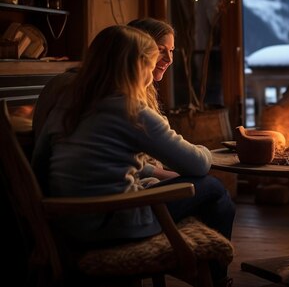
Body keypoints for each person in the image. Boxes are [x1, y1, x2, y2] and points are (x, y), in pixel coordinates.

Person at [31, 25, 235, 286]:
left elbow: (40, 163)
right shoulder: (131, 111)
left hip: (68, 224)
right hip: (116, 225)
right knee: (213, 188)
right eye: (150, 65)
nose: (152, 74)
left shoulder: (69, 104)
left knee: (208, 193)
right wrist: (207, 150)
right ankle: (216, 278)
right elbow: (197, 164)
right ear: (136, 67)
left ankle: (213, 275)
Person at [32, 17, 177, 182]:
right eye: (159, 50)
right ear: (134, 51)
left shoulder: (113, 87)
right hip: (112, 194)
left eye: (171, 50)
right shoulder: (102, 94)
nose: (169, 59)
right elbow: (100, 155)